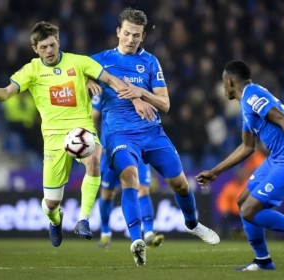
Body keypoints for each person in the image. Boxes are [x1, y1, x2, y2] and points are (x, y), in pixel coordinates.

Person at [0, 21, 155, 248]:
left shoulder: (78, 62)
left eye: (52, 45)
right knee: (50, 203)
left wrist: (135, 98)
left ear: (58, 42)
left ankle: (83, 220)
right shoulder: (31, 70)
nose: (49, 51)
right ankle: (55, 220)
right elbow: (6, 94)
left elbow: (110, 79)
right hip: (53, 140)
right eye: (44, 47)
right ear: (35, 49)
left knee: (95, 158)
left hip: (81, 130)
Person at [88, 8, 219, 266]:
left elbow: (166, 104)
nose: (130, 39)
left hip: (152, 133)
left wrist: (141, 93)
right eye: (126, 33)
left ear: (143, 36)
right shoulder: (99, 61)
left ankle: (192, 224)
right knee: (130, 178)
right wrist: (86, 84)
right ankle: (137, 240)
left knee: (180, 184)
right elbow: (73, 78)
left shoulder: (150, 62)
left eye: (136, 35)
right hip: (119, 134)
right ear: (118, 32)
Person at [196, 60, 284, 271]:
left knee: (249, 210)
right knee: (243, 201)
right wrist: (215, 172)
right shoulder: (246, 103)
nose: (222, 88)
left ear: (230, 82)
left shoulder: (253, 95)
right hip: (277, 158)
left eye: (223, 83)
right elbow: (247, 147)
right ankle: (263, 260)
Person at [91, 95, 164, 248]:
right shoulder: (105, 88)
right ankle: (105, 233)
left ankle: (149, 234)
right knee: (107, 193)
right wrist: (94, 142)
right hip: (111, 148)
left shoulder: (139, 86)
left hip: (137, 146)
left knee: (143, 189)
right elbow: (93, 116)